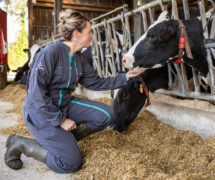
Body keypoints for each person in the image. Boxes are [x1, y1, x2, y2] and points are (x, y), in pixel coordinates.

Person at [4, 9, 144, 174]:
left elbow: (96, 82)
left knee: (107, 115)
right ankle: (20, 143)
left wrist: (126, 76)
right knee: (70, 163)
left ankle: (63, 142)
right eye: (89, 31)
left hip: (65, 104)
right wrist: (60, 120)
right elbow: (36, 93)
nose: (92, 35)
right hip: (40, 112)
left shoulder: (79, 58)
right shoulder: (50, 53)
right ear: (77, 33)